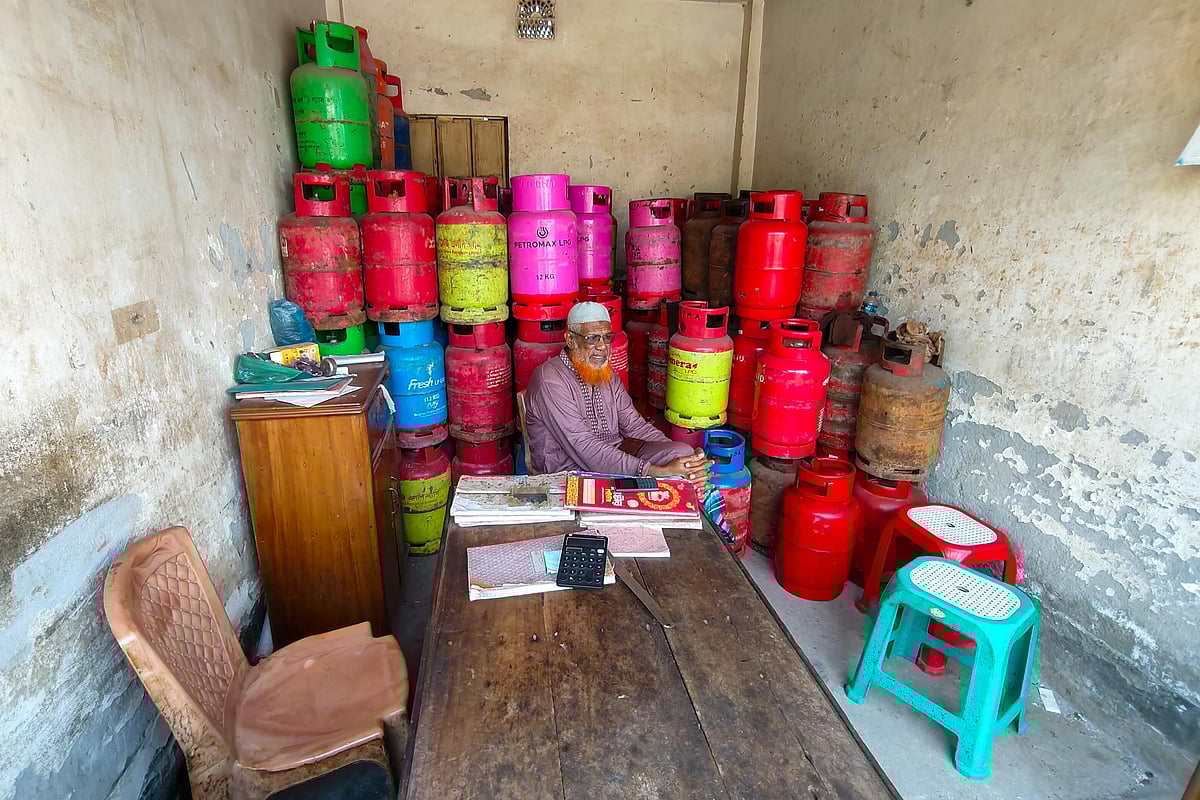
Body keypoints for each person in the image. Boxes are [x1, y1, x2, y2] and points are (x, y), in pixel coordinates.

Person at [523, 302, 709, 489]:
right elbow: (583, 446)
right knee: (665, 477)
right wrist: (657, 471)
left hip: (612, 459)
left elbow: (634, 426)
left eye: (607, 337)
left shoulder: (607, 374)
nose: (602, 346)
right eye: (592, 338)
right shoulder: (549, 380)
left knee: (682, 452)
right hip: (570, 472)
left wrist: (685, 460)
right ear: (570, 340)